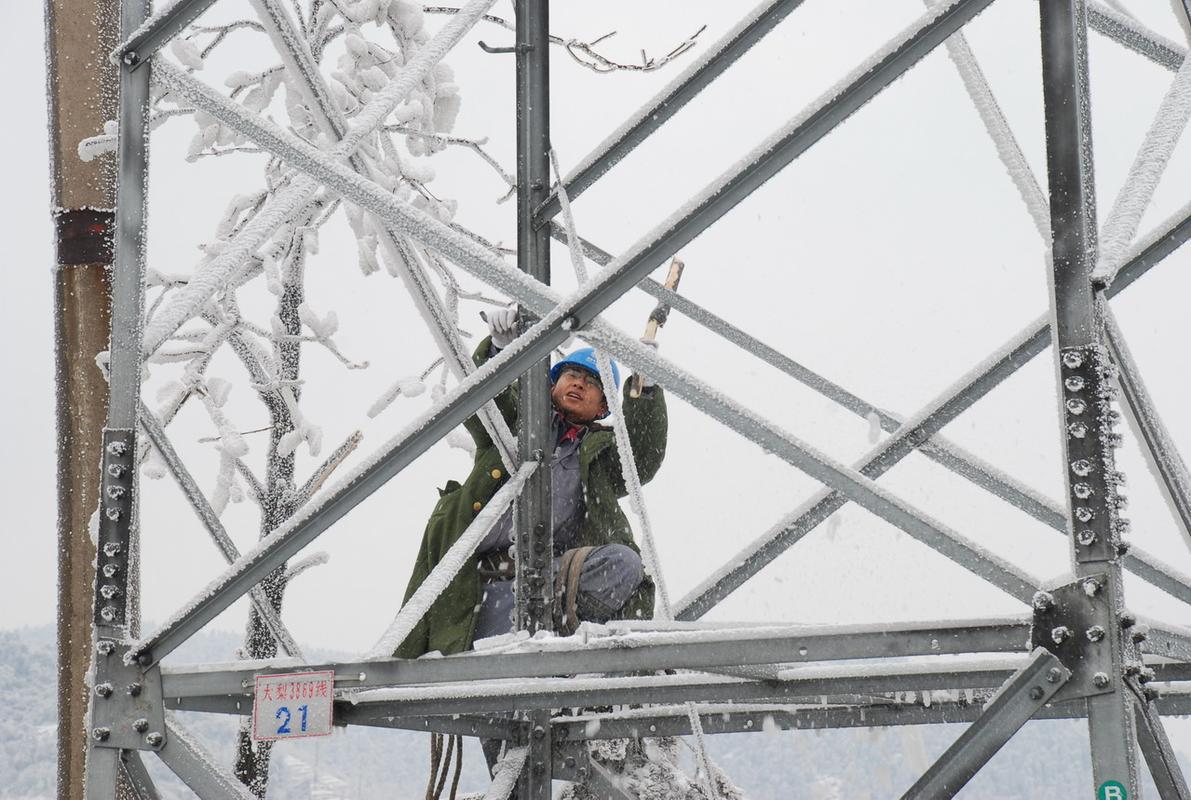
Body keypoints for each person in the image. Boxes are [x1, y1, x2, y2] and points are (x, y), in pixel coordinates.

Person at [393, 305, 668, 659]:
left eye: (593, 382)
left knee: (625, 563)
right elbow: (483, 405)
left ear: (603, 408)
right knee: (486, 683)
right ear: (553, 384)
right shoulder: (517, 425)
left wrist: (645, 390)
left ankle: (573, 634)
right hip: (484, 584)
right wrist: (498, 352)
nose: (579, 383)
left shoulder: (597, 457)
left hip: (552, 583)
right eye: (571, 375)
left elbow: (641, 459)